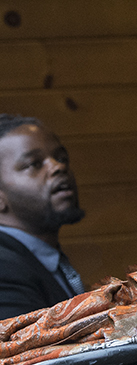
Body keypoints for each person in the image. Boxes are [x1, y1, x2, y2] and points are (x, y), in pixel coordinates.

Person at [0, 115, 86, 320]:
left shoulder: (41, 256)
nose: (58, 167)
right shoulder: (4, 269)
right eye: (33, 164)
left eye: (61, 158)